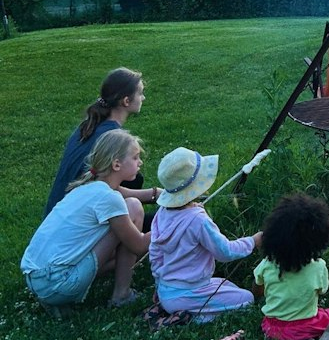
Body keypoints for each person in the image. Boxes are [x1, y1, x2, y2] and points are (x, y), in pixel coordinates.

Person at [21, 128, 151, 312]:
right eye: (135, 157)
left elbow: (122, 193)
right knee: (134, 208)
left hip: (36, 278)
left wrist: (158, 195)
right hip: (58, 284)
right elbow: (138, 246)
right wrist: (174, 221)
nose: (140, 162)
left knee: (129, 210)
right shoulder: (109, 198)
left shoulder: (86, 188)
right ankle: (121, 295)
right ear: (116, 164)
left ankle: (55, 297)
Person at [149, 147, 262, 323]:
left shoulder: (162, 213)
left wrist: (159, 286)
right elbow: (225, 252)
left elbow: (155, 254)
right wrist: (253, 241)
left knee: (225, 284)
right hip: (189, 293)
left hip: (167, 291)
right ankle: (191, 318)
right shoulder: (198, 220)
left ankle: (177, 309)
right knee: (247, 298)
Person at [43, 68, 153, 218]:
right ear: (126, 101)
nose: (143, 98)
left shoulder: (88, 125)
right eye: (140, 93)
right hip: (75, 215)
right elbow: (105, 186)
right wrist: (153, 194)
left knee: (133, 176)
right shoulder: (112, 137)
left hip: (56, 211)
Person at [254, 194, 329, 340]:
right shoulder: (318, 266)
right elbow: (322, 290)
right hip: (304, 324)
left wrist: (262, 296)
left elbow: (257, 286)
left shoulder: (267, 263)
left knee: (292, 331)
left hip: (272, 327)